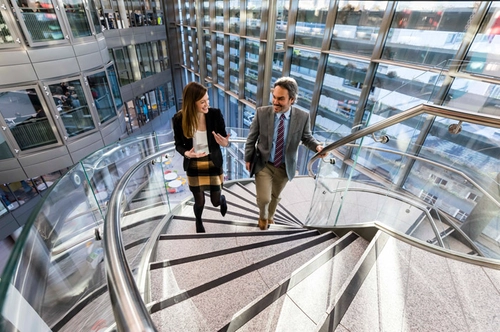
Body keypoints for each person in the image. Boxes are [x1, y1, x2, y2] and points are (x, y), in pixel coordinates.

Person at [244, 77, 325, 230]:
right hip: (264, 163)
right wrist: (248, 157)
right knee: (264, 198)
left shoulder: (302, 117)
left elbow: (307, 138)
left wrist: (317, 147)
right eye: (274, 97)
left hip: (284, 165)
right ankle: (263, 217)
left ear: (292, 99)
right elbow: (251, 138)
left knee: (275, 196)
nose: (275, 102)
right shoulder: (262, 113)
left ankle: (271, 216)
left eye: (280, 99)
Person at [173, 82, 230, 233]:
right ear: (192, 103)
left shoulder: (215, 114)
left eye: (208, 100)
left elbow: (224, 139)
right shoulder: (179, 119)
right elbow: (178, 144)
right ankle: (198, 220)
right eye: (202, 102)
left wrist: (225, 143)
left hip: (213, 162)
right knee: (200, 201)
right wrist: (186, 153)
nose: (207, 105)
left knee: (216, 201)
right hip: (194, 164)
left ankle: (222, 200)